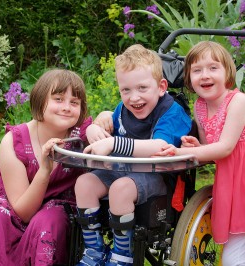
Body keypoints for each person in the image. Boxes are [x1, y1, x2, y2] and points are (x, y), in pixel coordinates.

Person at [154, 41, 245, 265]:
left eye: (213, 68)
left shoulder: (238, 102)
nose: (205, 75)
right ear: (189, 77)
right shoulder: (200, 108)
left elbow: (225, 146)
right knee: (232, 261)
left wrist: (181, 152)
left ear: (227, 72)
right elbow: (211, 151)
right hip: (234, 190)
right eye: (197, 70)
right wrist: (196, 147)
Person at [74, 44, 192, 266]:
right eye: (125, 90)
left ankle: (122, 255)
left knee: (121, 188)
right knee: (84, 183)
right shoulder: (122, 110)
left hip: (157, 175)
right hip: (123, 171)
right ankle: (94, 250)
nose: (133, 97)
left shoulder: (172, 112)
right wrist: (94, 128)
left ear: (161, 87)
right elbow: (106, 130)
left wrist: (114, 143)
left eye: (142, 88)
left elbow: (160, 145)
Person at [0, 69, 92, 266]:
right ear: (40, 101)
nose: (67, 107)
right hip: (21, 207)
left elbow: (111, 120)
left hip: (58, 212)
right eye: (58, 99)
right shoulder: (14, 141)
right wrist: (44, 170)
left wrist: (104, 119)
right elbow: (22, 212)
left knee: (48, 218)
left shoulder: (81, 134)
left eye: (74, 102)